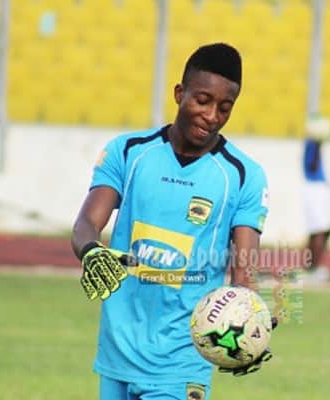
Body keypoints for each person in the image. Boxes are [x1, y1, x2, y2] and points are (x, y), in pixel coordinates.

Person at [71, 43, 274, 400]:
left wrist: (249, 326)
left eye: (224, 108)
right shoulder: (129, 152)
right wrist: (91, 251)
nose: (212, 115)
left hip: (183, 361)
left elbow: (244, 273)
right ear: (180, 94)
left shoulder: (244, 176)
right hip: (117, 350)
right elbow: (87, 221)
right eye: (203, 101)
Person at [301, 115, 330, 276]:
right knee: (320, 230)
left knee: (318, 230)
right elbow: (312, 166)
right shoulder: (313, 144)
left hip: (316, 188)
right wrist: (319, 143)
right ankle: (314, 267)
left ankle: (311, 267)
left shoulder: (310, 144)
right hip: (315, 188)